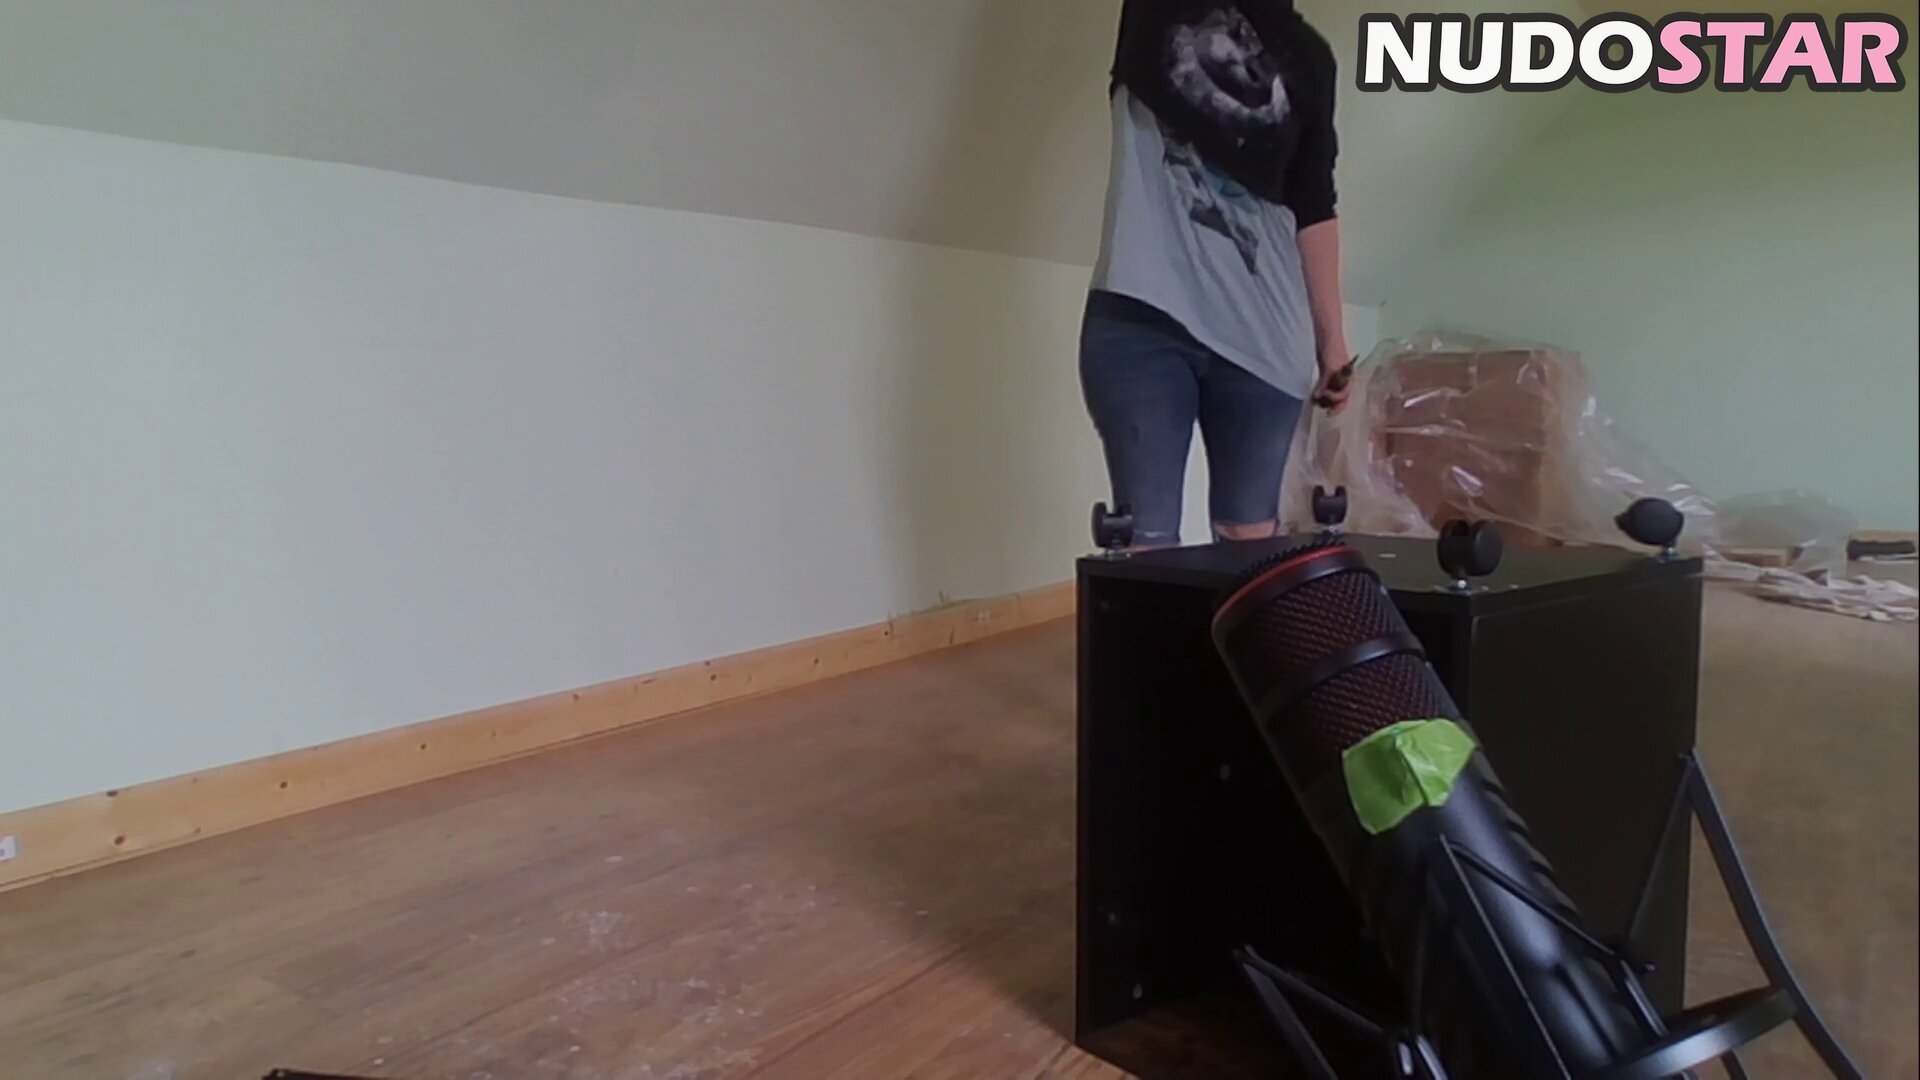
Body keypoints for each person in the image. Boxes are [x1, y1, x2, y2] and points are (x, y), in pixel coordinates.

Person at [1082, 0, 1351, 548]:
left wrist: (1333, 344)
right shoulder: (1156, 10)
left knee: (1249, 543)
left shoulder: (1310, 58)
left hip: (1264, 334)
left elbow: (1315, 204)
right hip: (1141, 318)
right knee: (1146, 545)